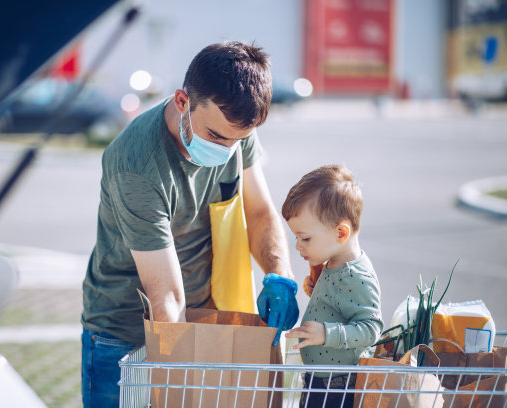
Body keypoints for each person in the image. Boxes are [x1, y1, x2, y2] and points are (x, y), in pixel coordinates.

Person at [80, 41, 300, 408]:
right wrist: (180, 381)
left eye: (237, 141)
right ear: (183, 101)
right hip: (123, 334)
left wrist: (279, 275)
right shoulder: (136, 164)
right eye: (215, 137)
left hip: (201, 317)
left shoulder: (233, 123)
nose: (226, 150)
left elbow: (260, 212)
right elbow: (165, 295)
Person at [282, 165, 384, 408]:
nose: (298, 246)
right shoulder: (335, 262)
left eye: (305, 238)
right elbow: (339, 303)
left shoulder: (354, 275)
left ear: (340, 233)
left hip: (339, 387)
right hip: (321, 379)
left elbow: (371, 329)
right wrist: (318, 289)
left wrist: (326, 334)